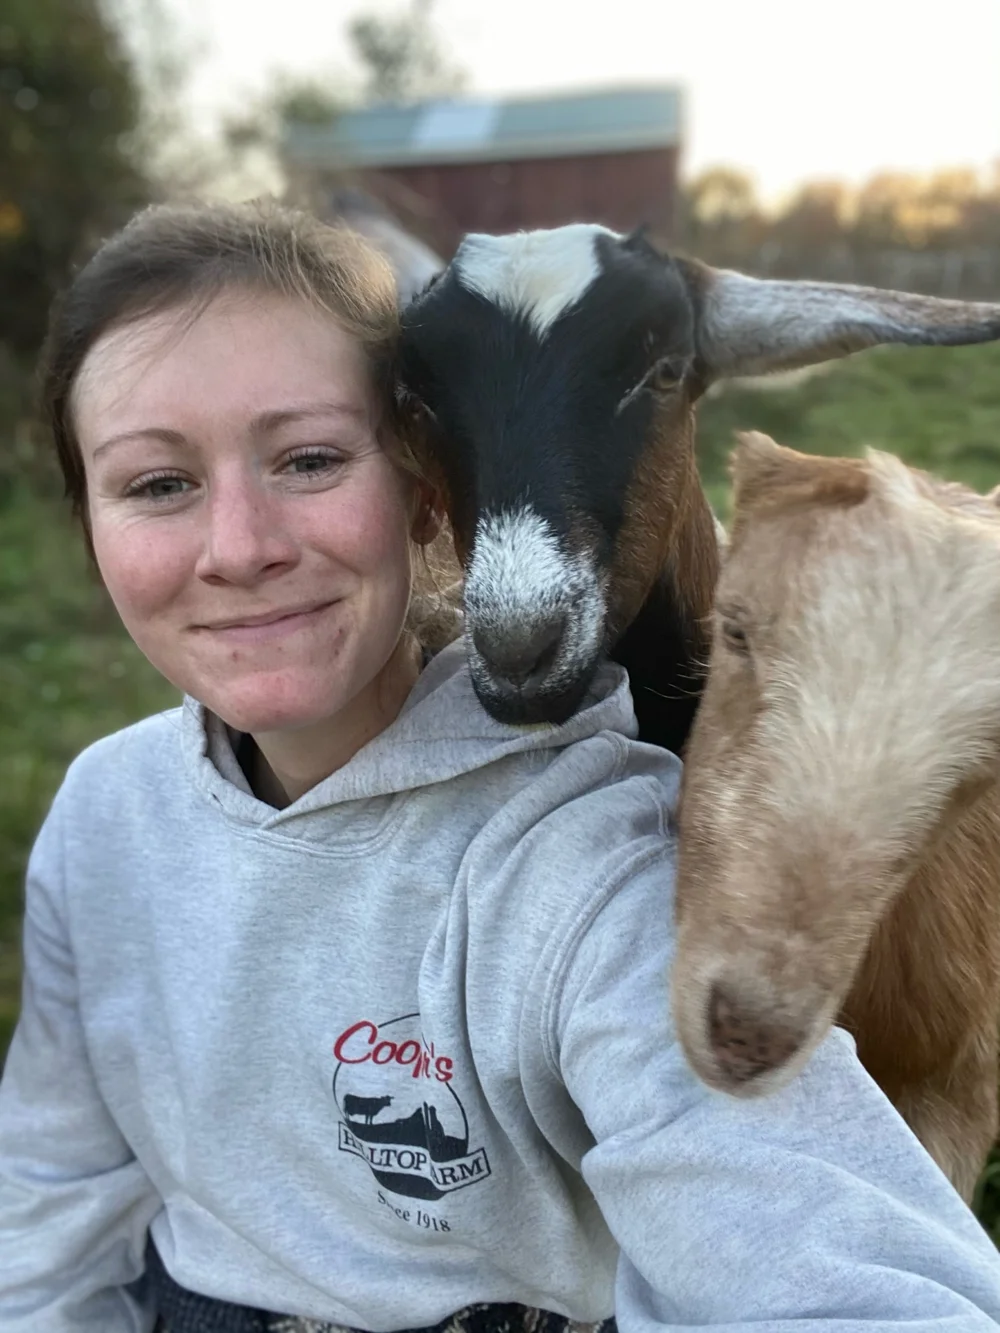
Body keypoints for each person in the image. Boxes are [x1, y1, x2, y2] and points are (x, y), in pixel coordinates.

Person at [1, 199, 1000, 1333]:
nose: (240, 549)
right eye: (156, 482)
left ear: (420, 484)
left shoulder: (587, 866)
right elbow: (49, 1197)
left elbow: (841, 1271)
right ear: (84, 519)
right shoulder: (103, 814)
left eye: (312, 458)